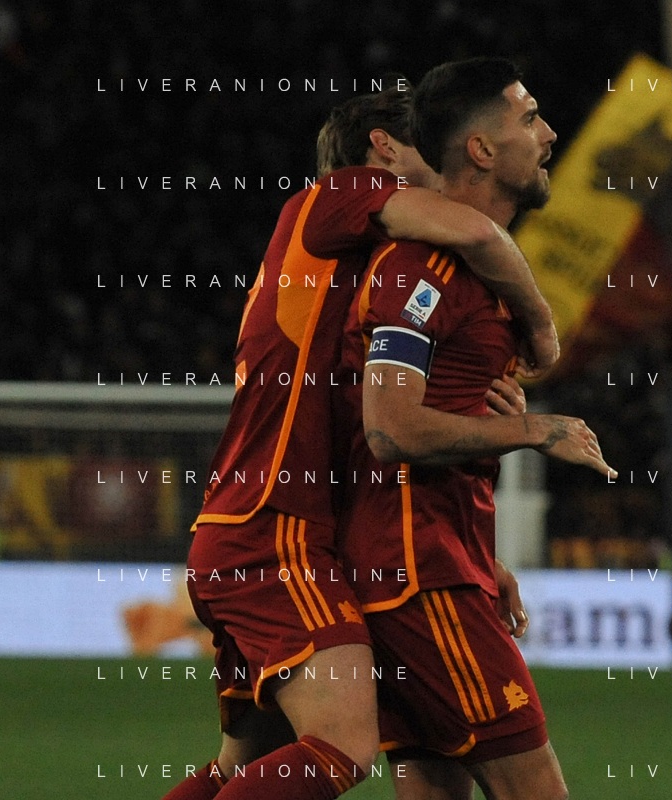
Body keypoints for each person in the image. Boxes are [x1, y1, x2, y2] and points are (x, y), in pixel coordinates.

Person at [166, 85, 556, 800]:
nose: (441, 167)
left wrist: (470, 550)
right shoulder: (335, 196)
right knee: (343, 744)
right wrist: (541, 327)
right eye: (426, 146)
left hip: (263, 526)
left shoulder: (356, 265)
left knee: (240, 769)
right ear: (383, 148)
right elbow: (476, 232)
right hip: (274, 530)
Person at [336, 57, 613, 800]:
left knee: (437, 790)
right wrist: (531, 432)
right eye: (530, 119)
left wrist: (480, 555)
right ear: (482, 150)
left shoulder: (475, 267)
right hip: (418, 577)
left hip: (435, 563)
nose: (549, 135)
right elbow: (389, 430)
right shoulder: (420, 268)